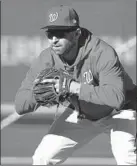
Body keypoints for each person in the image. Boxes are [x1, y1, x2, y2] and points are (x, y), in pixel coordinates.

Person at [15, 5, 136, 165]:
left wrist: (73, 87)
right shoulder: (47, 59)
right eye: (50, 34)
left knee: (127, 159)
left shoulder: (101, 52)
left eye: (60, 33)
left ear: (77, 33)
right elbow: (19, 105)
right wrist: (39, 95)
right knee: (43, 157)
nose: (54, 40)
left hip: (120, 112)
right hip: (82, 112)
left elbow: (116, 97)